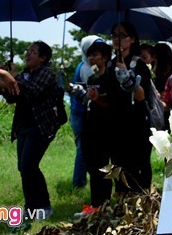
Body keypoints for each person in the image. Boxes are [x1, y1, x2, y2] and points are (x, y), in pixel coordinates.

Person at [1, 41, 65, 222]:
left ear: (43, 58)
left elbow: (34, 91)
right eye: (28, 51)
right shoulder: (25, 74)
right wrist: (4, 81)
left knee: (29, 165)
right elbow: (11, 98)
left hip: (41, 126)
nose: (28, 54)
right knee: (24, 167)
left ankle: (44, 205)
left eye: (33, 52)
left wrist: (13, 77)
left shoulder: (47, 73)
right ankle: (31, 207)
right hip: (23, 127)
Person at [107, 21, 154, 192]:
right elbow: (108, 94)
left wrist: (128, 79)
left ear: (132, 39)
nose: (116, 39)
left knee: (138, 162)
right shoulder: (111, 65)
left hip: (136, 122)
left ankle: (143, 202)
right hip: (116, 122)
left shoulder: (138, 64)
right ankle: (122, 202)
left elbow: (142, 96)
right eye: (113, 35)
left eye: (121, 35)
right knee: (118, 163)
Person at [74, 41, 114, 218]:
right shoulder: (92, 78)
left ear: (105, 57)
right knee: (91, 166)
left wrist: (97, 98)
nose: (91, 58)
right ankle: (95, 204)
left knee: (103, 168)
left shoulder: (110, 78)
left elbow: (110, 104)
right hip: (89, 127)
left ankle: (104, 204)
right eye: (90, 55)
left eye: (95, 55)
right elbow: (89, 101)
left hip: (104, 130)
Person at [69, 35, 104, 189]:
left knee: (84, 149)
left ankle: (81, 182)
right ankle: (78, 183)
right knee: (83, 150)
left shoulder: (83, 65)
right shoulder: (86, 69)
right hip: (81, 114)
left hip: (79, 113)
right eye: (92, 51)